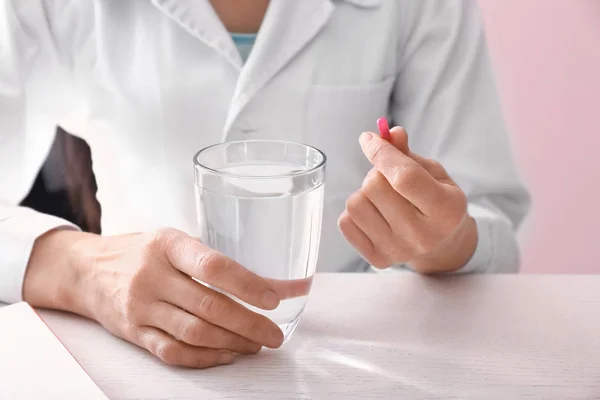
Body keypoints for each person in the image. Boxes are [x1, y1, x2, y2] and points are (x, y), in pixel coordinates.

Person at [0, 0, 530, 368]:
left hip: (356, 362)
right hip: (133, 365)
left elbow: (489, 220)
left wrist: (442, 238)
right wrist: (80, 269)